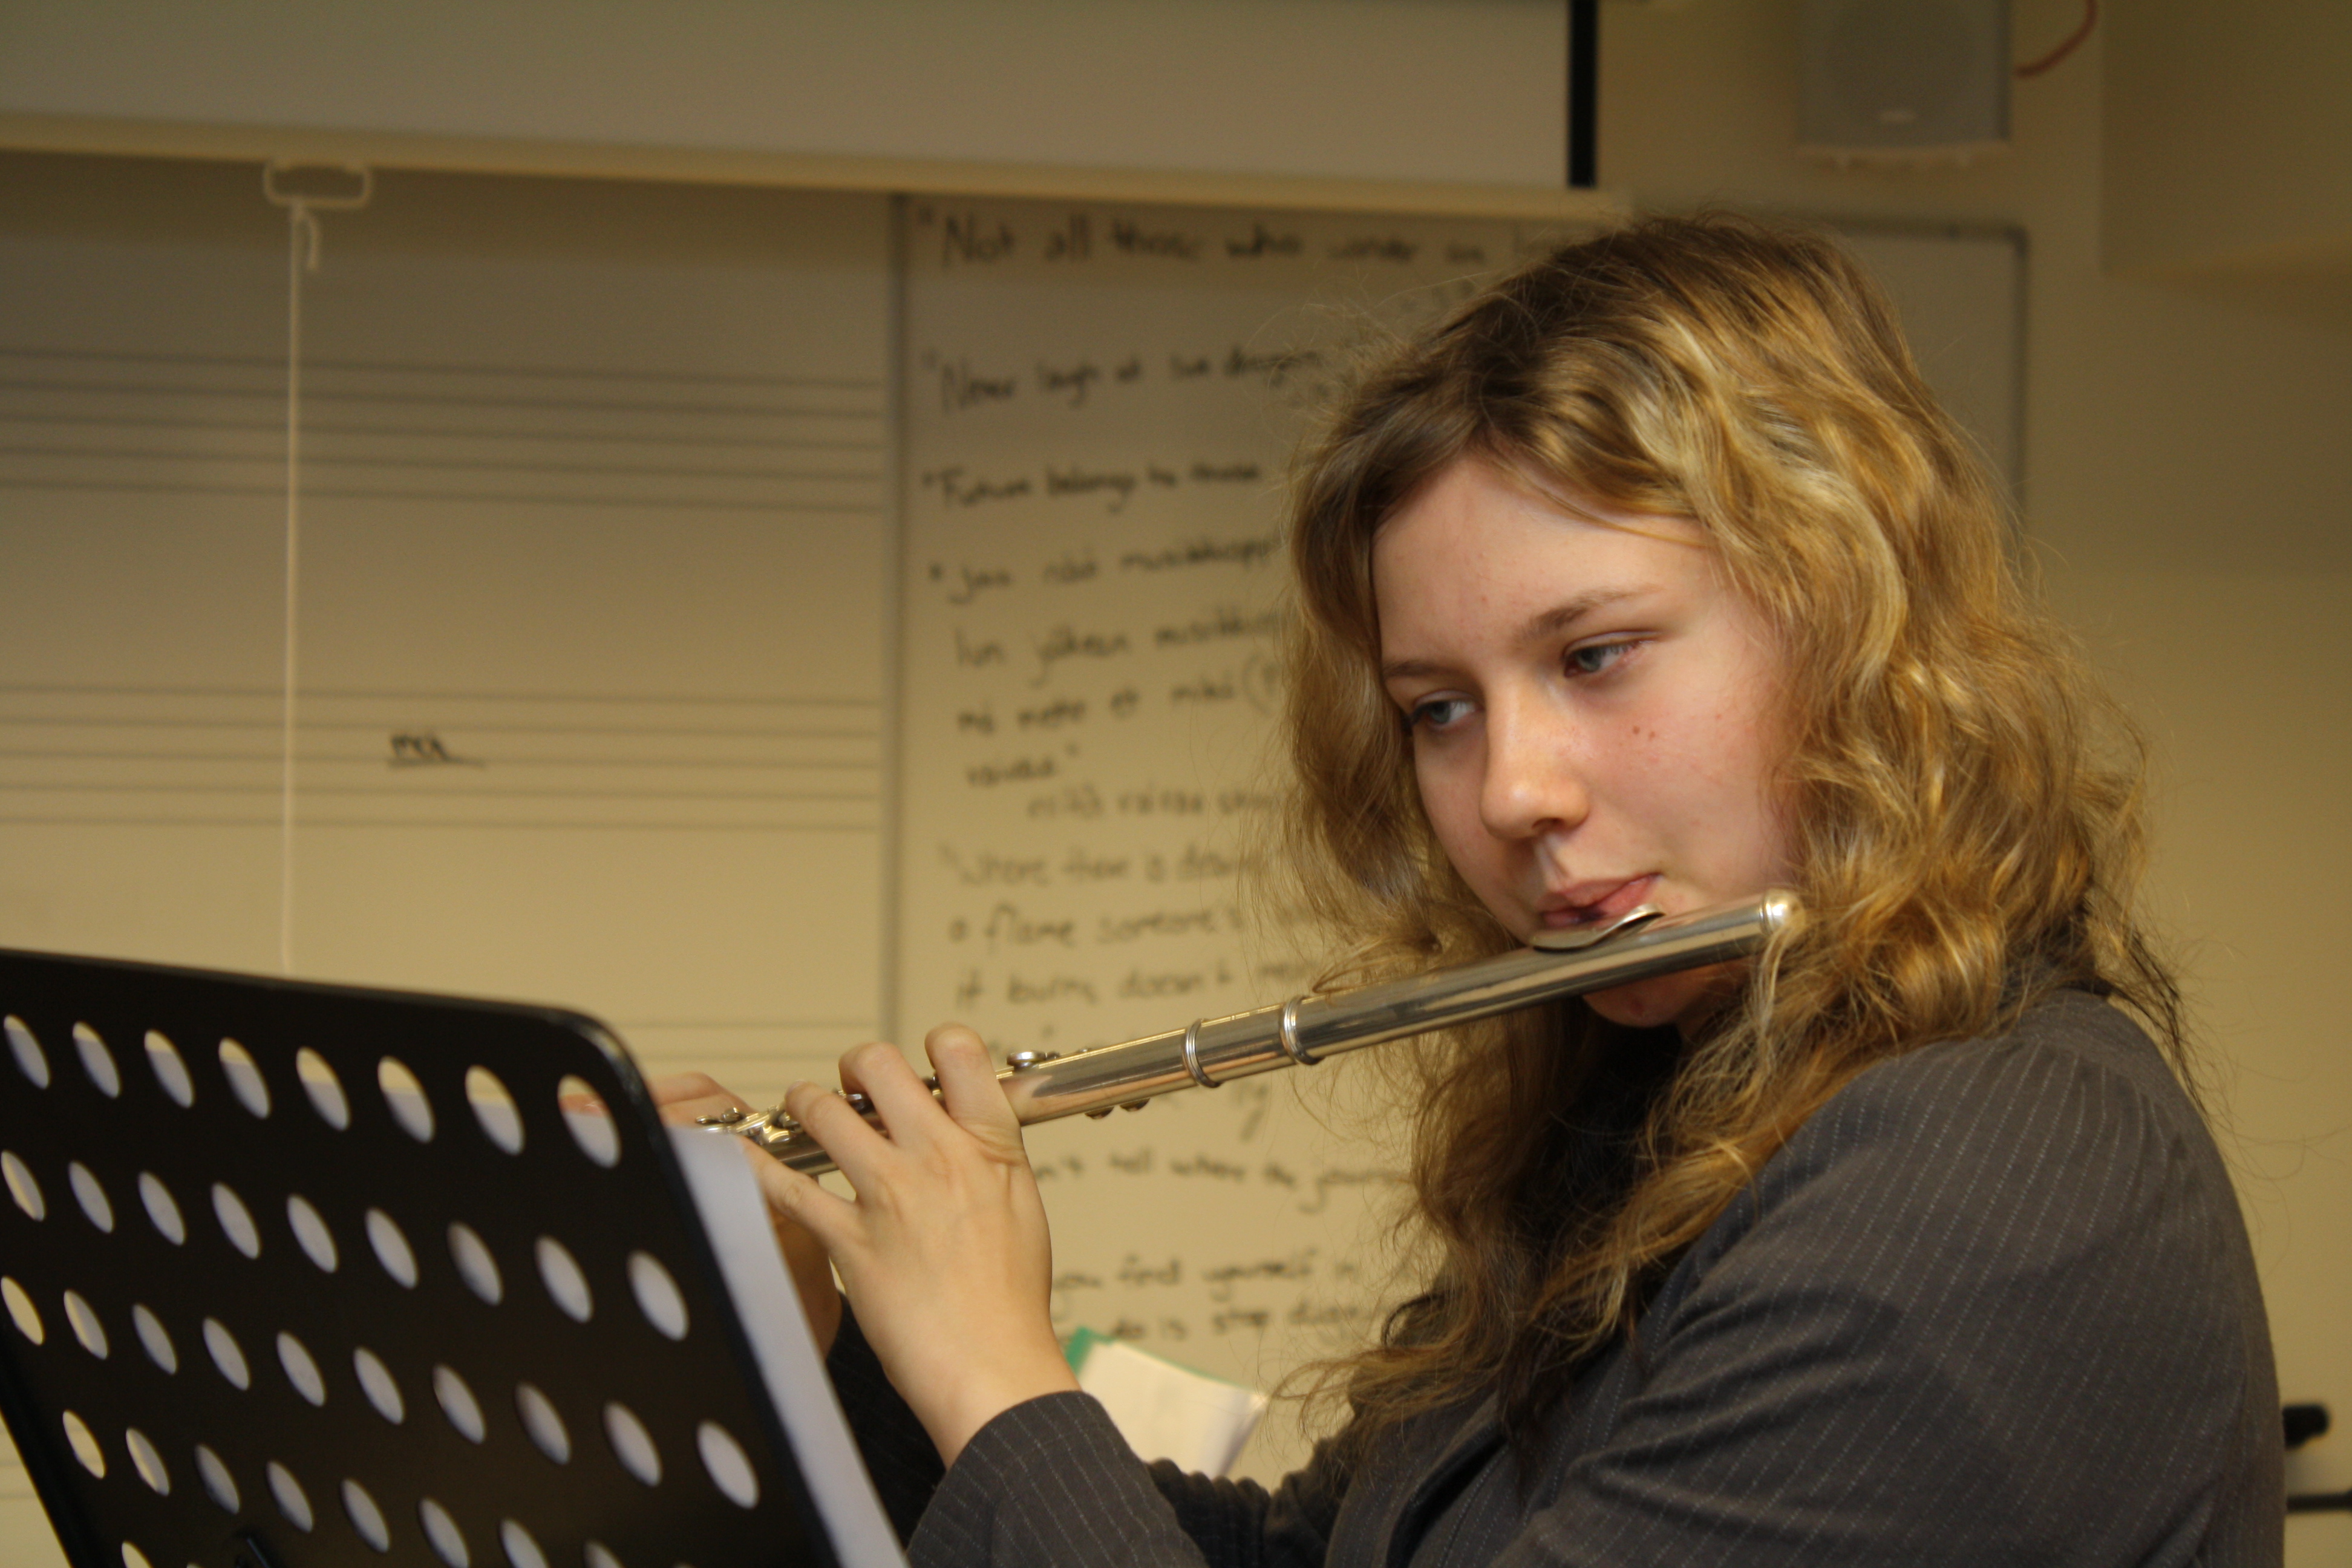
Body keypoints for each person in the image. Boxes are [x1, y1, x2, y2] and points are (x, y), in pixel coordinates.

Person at [658, 215, 2282, 1566]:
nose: (1509, 792)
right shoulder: (1662, 1111)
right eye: (1440, 708)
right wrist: (822, 1341)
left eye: (1595, 656)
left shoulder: (1991, 1180)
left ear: (1849, 625)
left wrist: (1004, 1386)